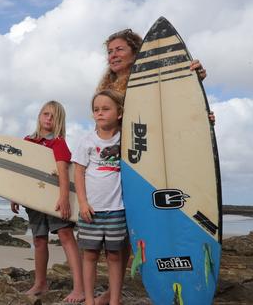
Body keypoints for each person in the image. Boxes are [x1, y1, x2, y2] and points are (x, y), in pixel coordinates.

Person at [94, 28, 213, 304]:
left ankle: (152, 281)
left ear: (136, 51)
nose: (112, 55)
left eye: (119, 49)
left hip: (153, 162)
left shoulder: (150, 78)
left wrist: (193, 79)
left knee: (146, 226)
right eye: (109, 51)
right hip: (122, 164)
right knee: (124, 232)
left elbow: (174, 106)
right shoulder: (107, 89)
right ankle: (114, 292)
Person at [10, 100, 84, 303]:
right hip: (34, 197)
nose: (49, 118)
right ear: (39, 116)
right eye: (45, 114)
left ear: (59, 120)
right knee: (39, 239)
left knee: (66, 234)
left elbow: (62, 172)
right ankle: (40, 283)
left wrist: (64, 198)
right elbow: (21, 171)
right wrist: (15, 194)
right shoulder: (28, 141)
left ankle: (80, 288)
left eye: (53, 116)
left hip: (55, 198)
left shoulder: (57, 143)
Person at [73, 90, 127, 305]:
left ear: (119, 113)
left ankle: (114, 300)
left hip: (117, 209)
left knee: (114, 256)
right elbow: (78, 172)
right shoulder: (87, 141)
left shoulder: (126, 139)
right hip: (91, 211)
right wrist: (83, 203)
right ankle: (88, 299)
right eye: (96, 110)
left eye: (106, 109)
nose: (100, 113)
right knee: (90, 255)